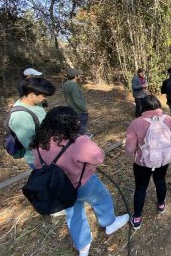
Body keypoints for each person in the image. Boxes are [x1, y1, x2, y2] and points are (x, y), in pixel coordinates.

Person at [31, 106, 129, 256]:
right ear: (70, 123)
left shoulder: (39, 143)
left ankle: (82, 245)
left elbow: (38, 166)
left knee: (74, 213)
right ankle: (109, 223)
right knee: (102, 198)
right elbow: (99, 157)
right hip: (83, 183)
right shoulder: (78, 141)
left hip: (60, 188)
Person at [125, 95, 171, 229]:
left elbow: (129, 149)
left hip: (142, 163)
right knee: (160, 181)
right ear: (158, 105)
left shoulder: (136, 123)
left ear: (142, 108)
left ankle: (137, 218)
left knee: (141, 188)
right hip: (163, 159)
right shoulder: (169, 119)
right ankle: (161, 205)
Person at [8, 77, 55, 168]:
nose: (45, 98)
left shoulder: (35, 103)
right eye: (44, 96)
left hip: (49, 152)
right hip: (40, 159)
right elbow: (31, 144)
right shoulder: (20, 116)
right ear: (32, 95)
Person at [63, 68, 90, 135]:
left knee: (75, 129)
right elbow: (77, 100)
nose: (80, 76)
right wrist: (85, 109)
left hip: (72, 109)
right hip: (79, 111)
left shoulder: (66, 84)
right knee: (81, 130)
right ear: (75, 76)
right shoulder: (73, 86)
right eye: (79, 75)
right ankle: (80, 142)